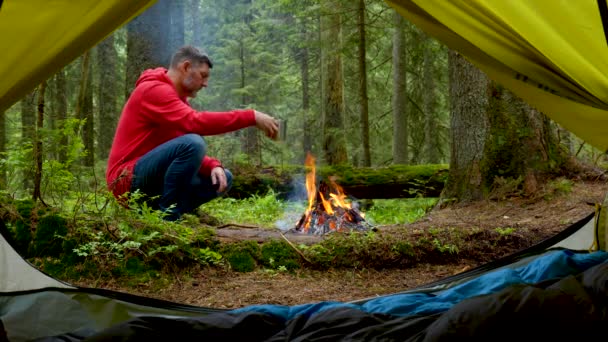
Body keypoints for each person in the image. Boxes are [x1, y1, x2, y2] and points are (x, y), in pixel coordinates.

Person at [106, 45, 279, 221]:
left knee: (223, 177)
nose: (205, 83)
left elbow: (177, 143)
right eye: (203, 76)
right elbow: (195, 124)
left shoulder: (174, 101)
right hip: (124, 180)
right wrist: (250, 116)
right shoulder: (153, 90)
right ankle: (168, 219)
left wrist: (213, 165)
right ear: (186, 67)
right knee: (193, 143)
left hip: (148, 179)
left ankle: (160, 212)